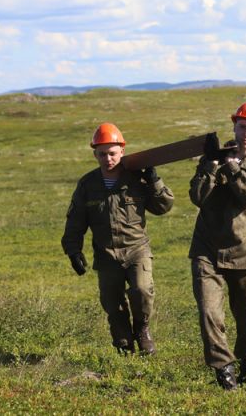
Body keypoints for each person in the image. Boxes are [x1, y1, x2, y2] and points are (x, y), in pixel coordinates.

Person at [62, 122, 174, 355]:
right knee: (113, 303)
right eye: (102, 154)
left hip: (136, 249)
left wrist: (154, 180)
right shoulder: (88, 184)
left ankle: (142, 329)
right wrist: (73, 251)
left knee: (142, 290)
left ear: (122, 151)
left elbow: (163, 207)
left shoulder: (136, 179)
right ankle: (123, 342)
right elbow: (75, 221)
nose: (108, 158)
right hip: (106, 253)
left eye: (112, 153)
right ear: (95, 154)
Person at [188, 99, 246, 390]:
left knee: (245, 314)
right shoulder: (214, 156)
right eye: (242, 127)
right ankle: (224, 370)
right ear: (234, 126)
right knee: (209, 311)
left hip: (244, 249)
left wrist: (232, 168)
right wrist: (212, 166)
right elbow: (198, 197)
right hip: (207, 248)